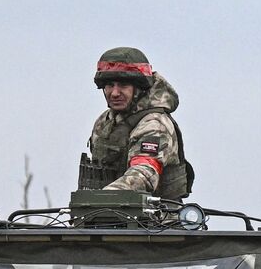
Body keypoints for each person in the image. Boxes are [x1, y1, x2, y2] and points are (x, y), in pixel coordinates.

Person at [78, 47, 194, 198]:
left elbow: (144, 174)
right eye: (109, 85)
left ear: (139, 88)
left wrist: (103, 198)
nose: (114, 93)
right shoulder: (104, 121)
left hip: (155, 219)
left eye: (123, 85)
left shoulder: (154, 124)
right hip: (106, 214)